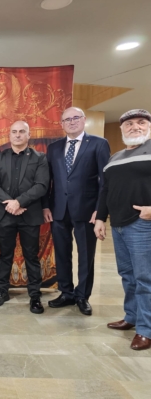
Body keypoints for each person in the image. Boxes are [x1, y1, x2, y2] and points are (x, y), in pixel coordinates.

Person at [43, 107, 110, 316]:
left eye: (75, 118)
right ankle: (66, 292)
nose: (71, 122)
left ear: (84, 120)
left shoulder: (99, 144)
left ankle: (82, 296)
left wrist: (100, 211)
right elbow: (48, 181)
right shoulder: (54, 148)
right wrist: (46, 205)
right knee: (62, 254)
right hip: (59, 211)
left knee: (85, 256)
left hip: (86, 210)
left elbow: (105, 182)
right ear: (61, 124)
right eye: (67, 119)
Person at [94, 109, 151, 351]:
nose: (134, 127)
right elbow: (105, 191)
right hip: (117, 225)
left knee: (144, 278)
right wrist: (100, 218)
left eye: (141, 122)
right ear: (121, 129)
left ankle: (146, 330)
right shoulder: (115, 157)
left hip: (142, 224)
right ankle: (132, 317)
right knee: (127, 276)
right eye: (129, 124)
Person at [0, 120, 49, 313]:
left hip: (29, 214)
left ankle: (35, 296)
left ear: (28, 135)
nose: (18, 135)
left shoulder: (40, 157)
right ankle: (2, 291)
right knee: (5, 255)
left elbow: (41, 185)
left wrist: (19, 202)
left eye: (22, 131)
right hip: (5, 214)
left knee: (31, 256)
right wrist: (10, 204)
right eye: (14, 131)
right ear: (9, 135)